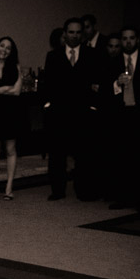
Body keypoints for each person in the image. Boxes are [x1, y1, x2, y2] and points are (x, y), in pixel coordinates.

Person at [40, 17, 104, 201]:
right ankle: (57, 190)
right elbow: (48, 84)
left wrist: (93, 106)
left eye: (78, 32)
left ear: (82, 34)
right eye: (71, 32)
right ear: (65, 34)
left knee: (84, 153)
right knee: (57, 154)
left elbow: (97, 82)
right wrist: (48, 105)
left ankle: (83, 190)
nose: (74, 36)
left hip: (83, 112)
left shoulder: (92, 54)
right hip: (59, 112)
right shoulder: (53, 56)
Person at [105, 26, 140, 210]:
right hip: (121, 116)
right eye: (124, 38)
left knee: (139, 156)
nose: (128, 42)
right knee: (121, 157)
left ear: (137, 40)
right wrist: (116, 84)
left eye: (131, 38)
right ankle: (123, 197)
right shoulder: (113, 62)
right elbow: (104, 89)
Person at [0, 36, 28, 200]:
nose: (4, 49)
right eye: (2, 45)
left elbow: (17, 91)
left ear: (11, 52)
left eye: (8, 48)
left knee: (10, 150)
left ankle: (9, 187)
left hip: (11, 113)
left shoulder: (15, 67)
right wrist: (6, 88)